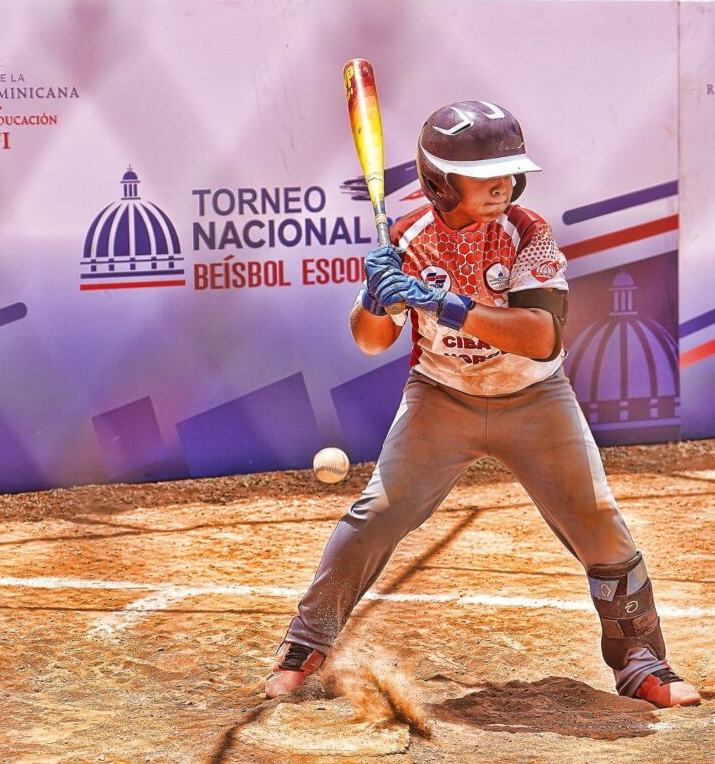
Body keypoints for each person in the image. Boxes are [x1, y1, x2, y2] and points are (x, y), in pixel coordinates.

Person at [264, 101, 700, 709]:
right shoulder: (407, 236)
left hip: (535, 398)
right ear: (441, 182)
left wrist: (445, 304)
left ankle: (641, 662)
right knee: (376, 515)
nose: (502, 184)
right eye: (484, 174)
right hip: (441, 397)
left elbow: (542, 336)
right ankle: (305, 645)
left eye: (509, 171)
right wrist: (376, 298)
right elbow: (371, 341)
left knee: (598, 521)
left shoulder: (528, 232)